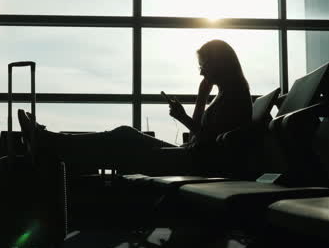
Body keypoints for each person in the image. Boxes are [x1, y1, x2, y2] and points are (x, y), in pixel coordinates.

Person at [21, 39, 252, 175]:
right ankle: (52, 144)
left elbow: (210, 145)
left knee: (124, 138)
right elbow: (197, 138)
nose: (201, 72)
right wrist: (201, 97)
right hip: (190, 156)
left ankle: (51, 145)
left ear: (219, 64)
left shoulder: (234, 96)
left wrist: (183, 117)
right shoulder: (226, 94)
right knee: (123, 137)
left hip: (195, 163)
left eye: (204, 65)